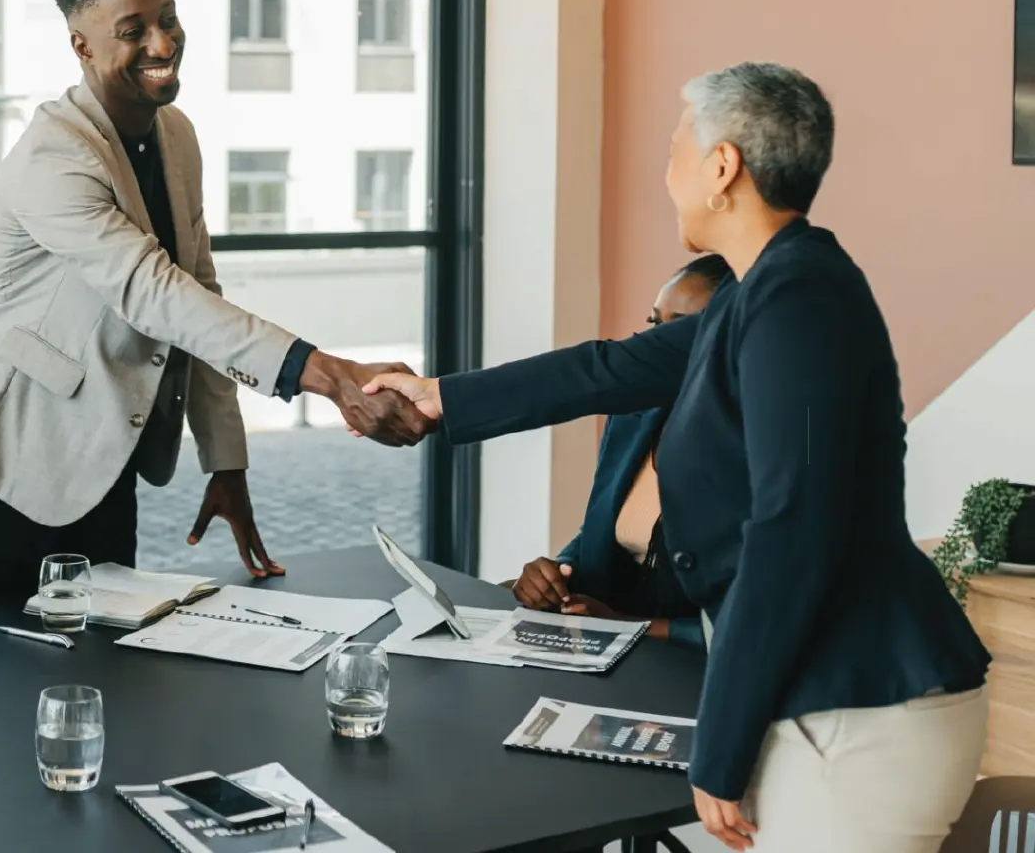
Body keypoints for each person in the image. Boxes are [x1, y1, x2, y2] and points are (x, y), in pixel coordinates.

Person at [362, 62, 990, 853]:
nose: (666, 176)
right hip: (822, 699)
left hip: (861, 708)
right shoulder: (759, 294)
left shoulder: (800, 300)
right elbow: (612, 368)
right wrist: (439, 396)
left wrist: (719, 749)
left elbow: (790, 532)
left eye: (673, 152)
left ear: (722, 167)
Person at [0, 0, 428, 599]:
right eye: (133, 31)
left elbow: (199, 291)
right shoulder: (53, 156)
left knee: (109, 651)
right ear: (82, 46)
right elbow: (153, 293)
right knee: (10, 659)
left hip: (105, 446)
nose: (162, 44)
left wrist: (227, 464)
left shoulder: (176, 135)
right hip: (10, 444)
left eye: (169, 19)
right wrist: (330, 376)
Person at [512, 254, 730, 650]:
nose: (653, 344)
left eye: (676, 333)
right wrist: (556, 574)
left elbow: (771, 618)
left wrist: (628, 626)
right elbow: (608, 531)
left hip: (703, 669)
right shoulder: (634, 413)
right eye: (653, 325)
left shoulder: (764, 445)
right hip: (606, 645)